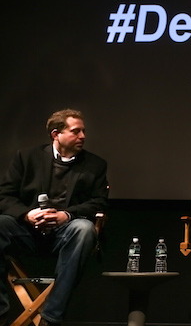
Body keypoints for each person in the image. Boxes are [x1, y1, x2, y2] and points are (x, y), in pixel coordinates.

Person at [0, 109, 109, 326]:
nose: (83, 137)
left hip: (65, 233)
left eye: (84, 131)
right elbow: (4, 196)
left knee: (84, 229)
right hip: (27, 231)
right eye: (76, 131)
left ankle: (51, 317)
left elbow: (98, 202)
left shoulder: (95, 165)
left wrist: (66, 215)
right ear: (55, 134)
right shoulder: (26, 157)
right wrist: (27, 214)